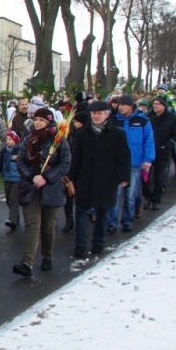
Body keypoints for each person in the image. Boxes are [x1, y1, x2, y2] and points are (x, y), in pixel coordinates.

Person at [12, 107, 71, 276]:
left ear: (49, 121)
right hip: (31, 188)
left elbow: (65, 164)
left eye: (41, 120)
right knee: (32, 225)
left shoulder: (59, 140)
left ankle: (47, 256)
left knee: (47, 225)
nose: (37, 122)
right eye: (35, 119)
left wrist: (46, 177)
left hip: (51, 188)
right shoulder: (28, 139)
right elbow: (20, 161)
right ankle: (27, 263)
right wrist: (32, 177)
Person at [68, 101, 131, 259]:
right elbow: (76, 159)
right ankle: (80, 245)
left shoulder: (118, 133)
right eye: (93, 113)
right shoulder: (82, 134)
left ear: (107, 114)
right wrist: (71, 178)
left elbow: (124, 157)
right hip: (85, 179)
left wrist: (124, 177)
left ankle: (98, 242)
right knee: (81, 211)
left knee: (103, 212)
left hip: (107, 179)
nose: (96, 116)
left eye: (99, 113)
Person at [106, 95, 154, 234]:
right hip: (115, 163)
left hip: (134, 162)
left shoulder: (142, 120)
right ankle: (112, 222)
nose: (121, 107)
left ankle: (127, 220)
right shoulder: (113, 120)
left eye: (124, 105)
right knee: (115, 193)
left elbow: (149, 140)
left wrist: (148, 159)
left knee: (130, 194)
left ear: (131, 106)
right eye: (119, 105)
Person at [146, 97, 176, 210]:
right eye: (154, 103)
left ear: (164, 106)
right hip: (148, 151)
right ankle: (147, 197)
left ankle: (156, 200)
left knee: (160, 178)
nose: (155, 106)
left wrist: (167, 145)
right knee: (145, 177)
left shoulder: (171, 118)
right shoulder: (148, 117)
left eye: (158, 104)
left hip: (162, 151)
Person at [0, 130, 22, 232]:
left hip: (16, 179)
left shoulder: (20, 150)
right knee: (8, 200)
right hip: (7, 178)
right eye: (7, 139)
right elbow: (2, 163)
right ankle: (15, 217)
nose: (8, 141)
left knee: (14, 200)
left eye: (10, 139)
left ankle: (12, 220)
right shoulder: (5, 151)